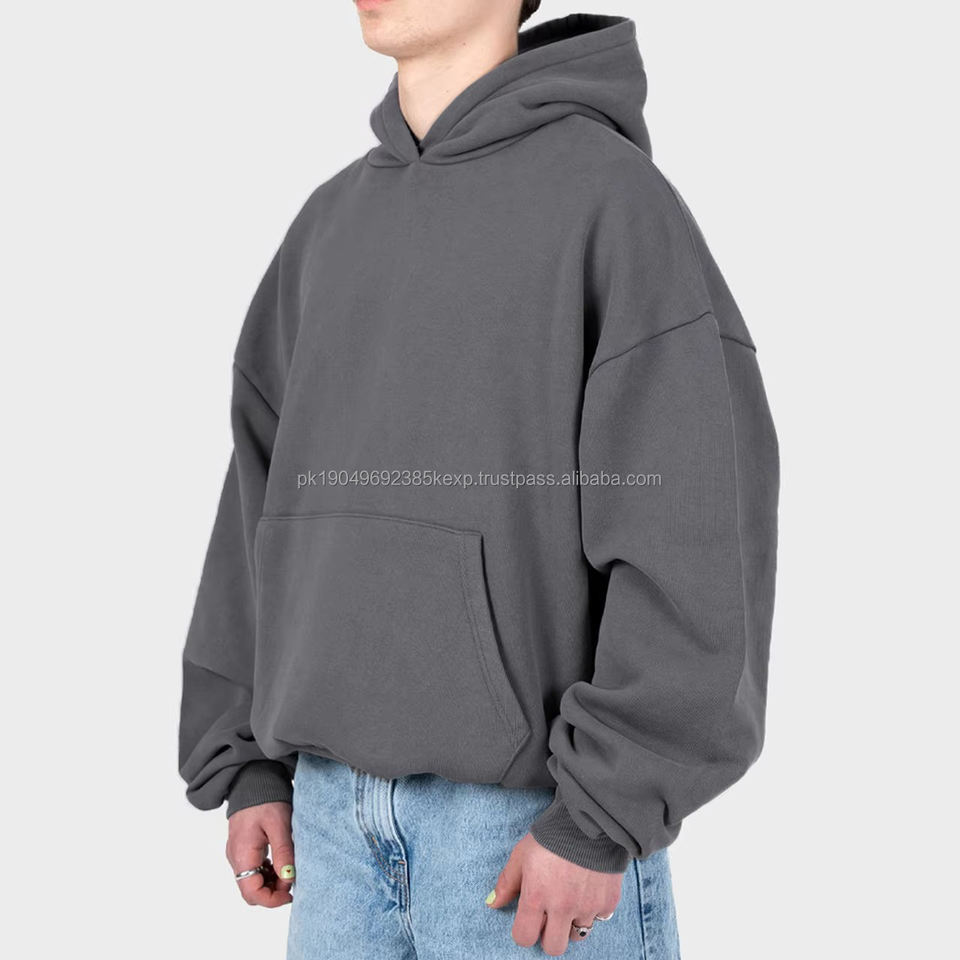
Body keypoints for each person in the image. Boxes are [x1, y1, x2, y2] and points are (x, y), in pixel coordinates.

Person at [178, 2, 779, 957]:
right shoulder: (329, 223)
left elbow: (695, 530)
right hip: (328, 825)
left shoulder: (611, 204)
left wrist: (603, 811)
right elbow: (259, 506)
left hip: (526, 833)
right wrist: (247, 760)